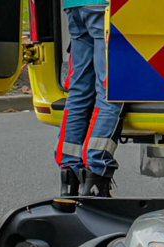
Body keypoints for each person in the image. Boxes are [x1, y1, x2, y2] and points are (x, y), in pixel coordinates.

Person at [55, 0, 123, 198]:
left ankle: (70, 172)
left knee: (79, 91)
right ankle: (96, 175)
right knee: (110, 90)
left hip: (75, 5)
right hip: (105, 7)